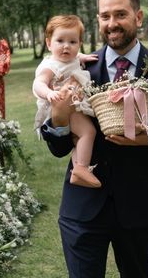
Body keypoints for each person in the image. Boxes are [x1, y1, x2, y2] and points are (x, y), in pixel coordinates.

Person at [40, 0, 148, 278]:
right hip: (82, 207)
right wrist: (60, 120)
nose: (112, 23)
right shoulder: (78, 68)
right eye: (104, 16)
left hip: (138, 205)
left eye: (120, 14)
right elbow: (59, 148)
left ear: (138, 18)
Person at [33, 15, 100, 188]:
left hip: (74, 106)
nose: (66, 46)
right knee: (88, 132)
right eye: (60, 41)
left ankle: (79, 171)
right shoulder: (51, 66)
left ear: (79, 44)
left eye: (72, 42)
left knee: (79, 139)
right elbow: (38, 83)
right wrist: (48, 93)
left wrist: (82, 57)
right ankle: (81, 168)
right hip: (64, 107)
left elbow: (75, 58)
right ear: (49, 44)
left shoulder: (71, 59)